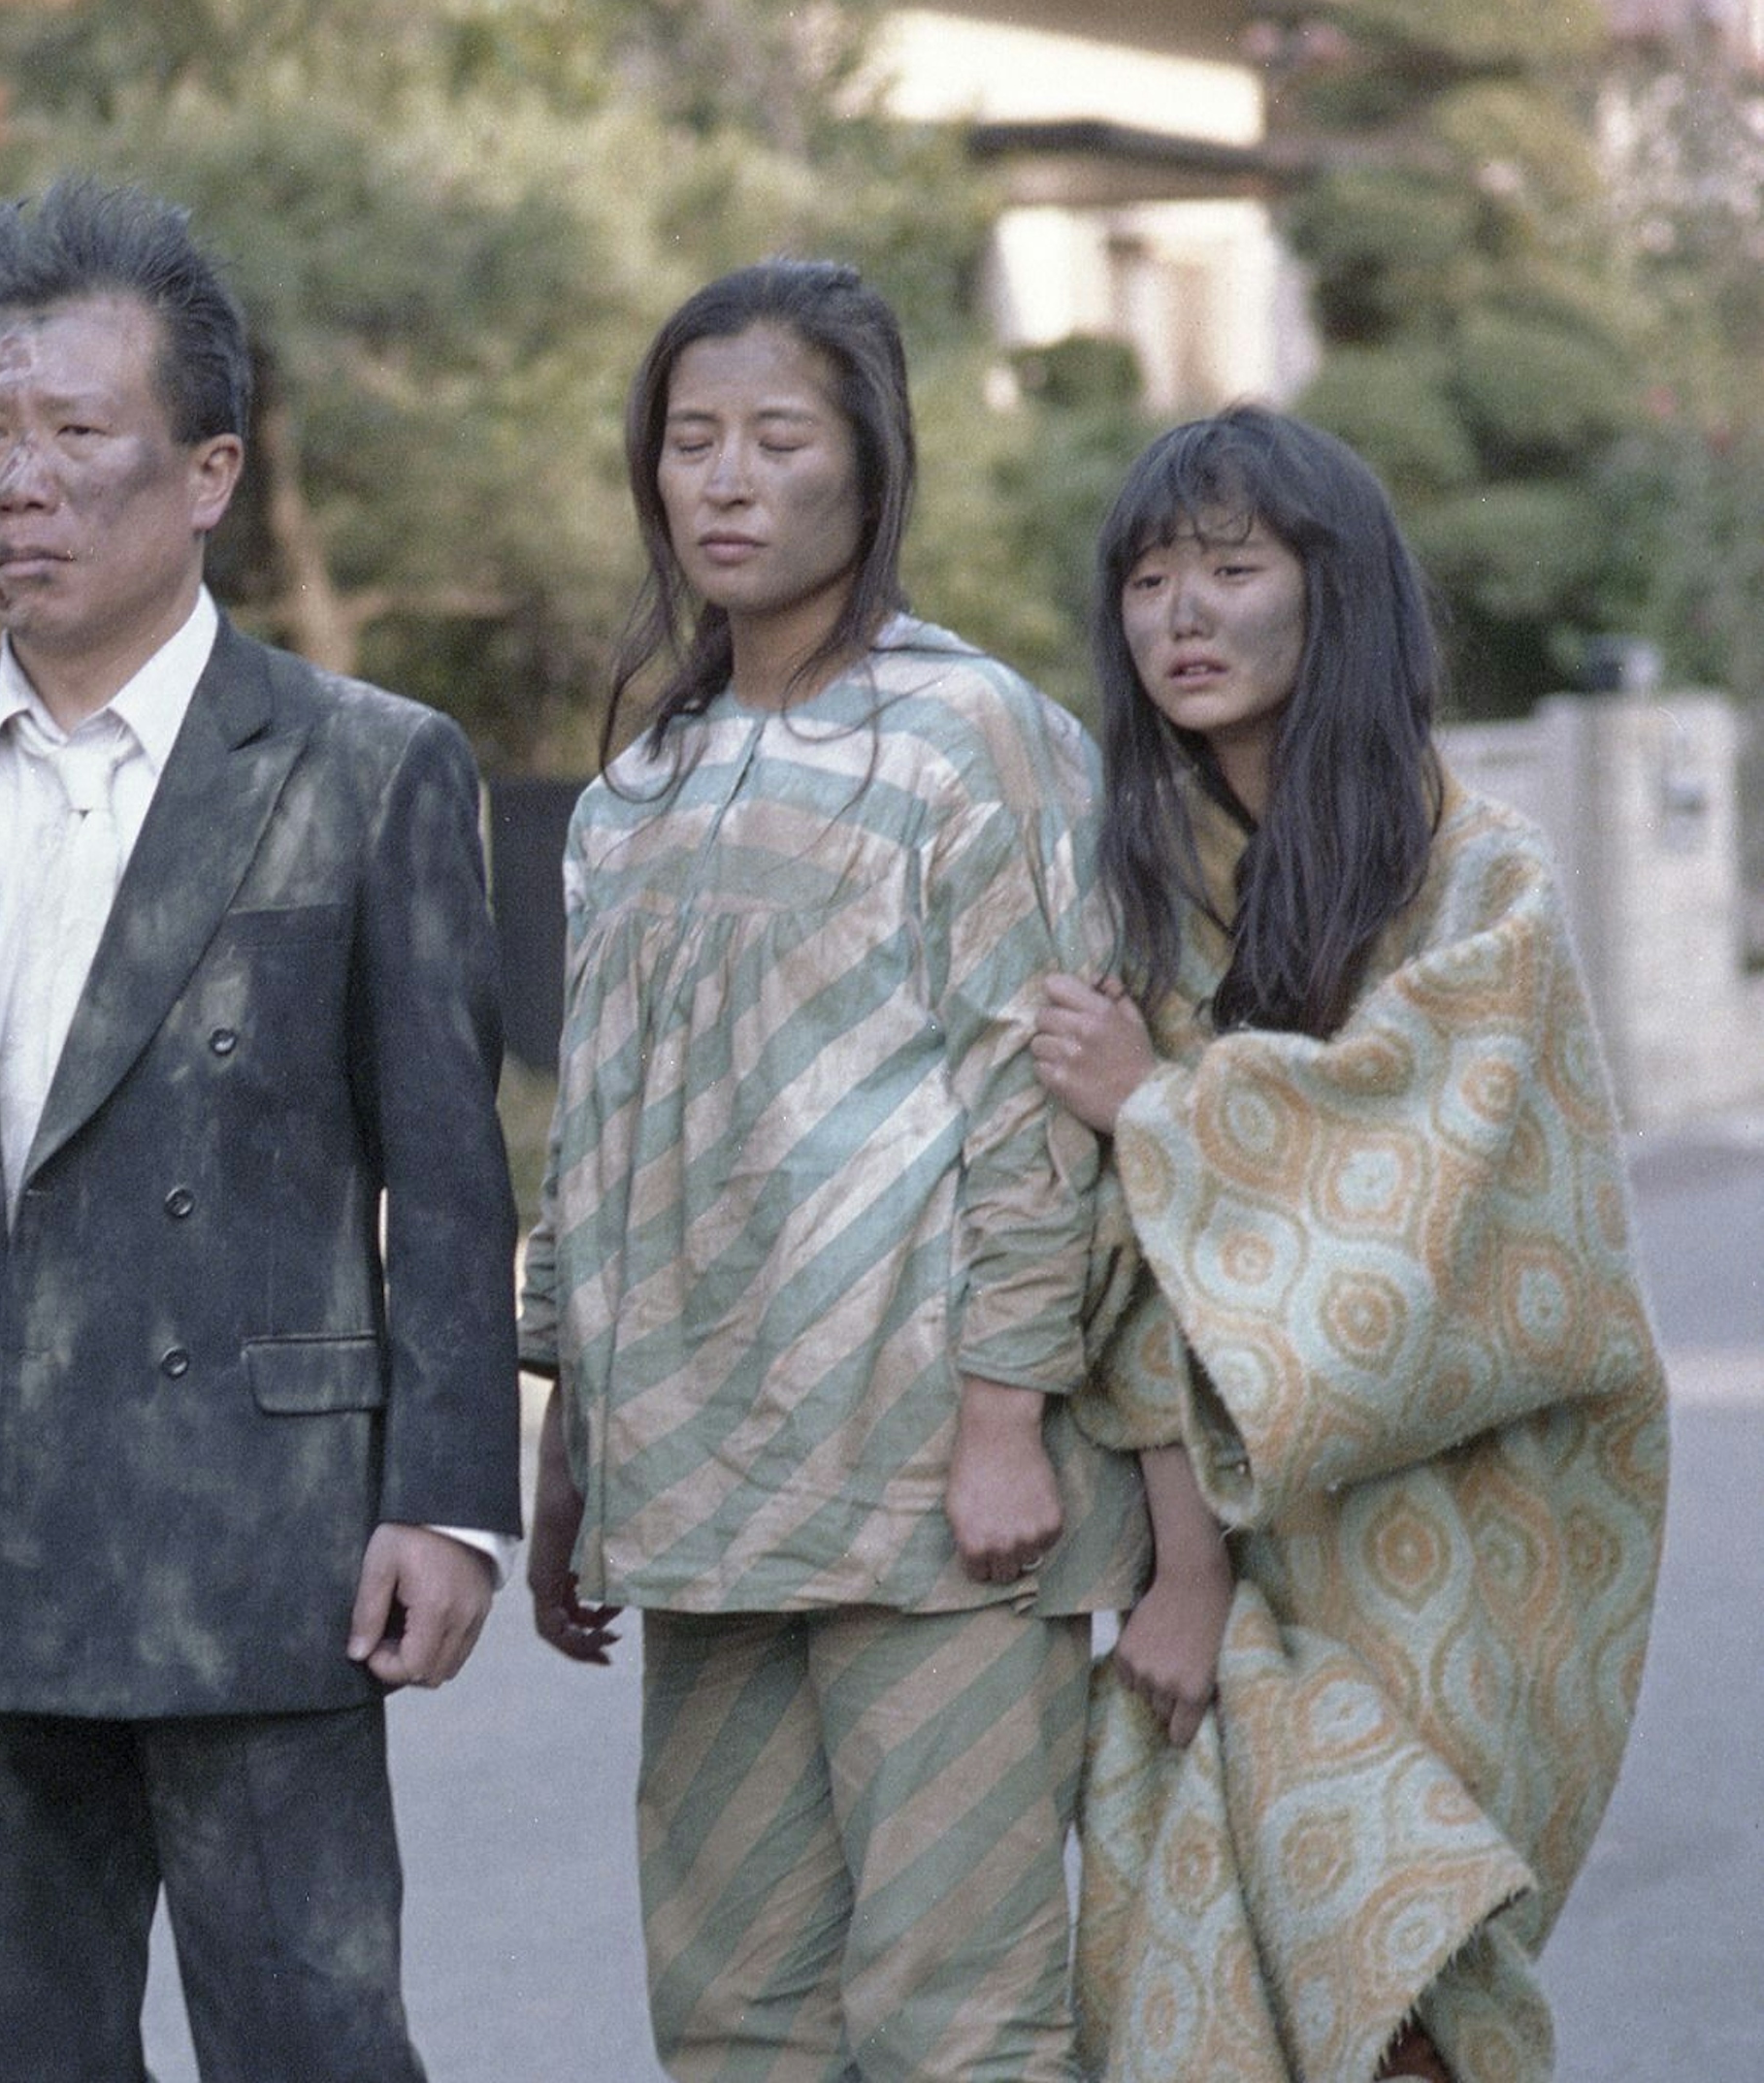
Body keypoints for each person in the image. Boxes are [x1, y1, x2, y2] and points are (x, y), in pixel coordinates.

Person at [0, 176, 522, 2082]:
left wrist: (448, 1501)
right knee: (10, 2050)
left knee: (313, 2041)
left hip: (261, 1547)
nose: (21, 483)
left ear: (209, 471)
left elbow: (449, 1182)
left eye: (77, 433)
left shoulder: (364, 763)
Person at [516, 259, 1147, 2083]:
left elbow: (1035, 1106)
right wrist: (572, 1441)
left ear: (870, 465)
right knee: (733, 2019)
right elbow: (598, 1135)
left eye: (777, 439)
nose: (725, 480)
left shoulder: (977, 740)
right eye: (690, 440)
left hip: (934, 1497)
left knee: (960, 2020)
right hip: (700, 1497)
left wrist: (1007, 1414)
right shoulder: (638, 789)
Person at [1031, 407, 1671, 2083]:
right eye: (1148, 579)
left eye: (1233, 570)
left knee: (1412, 1972)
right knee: (1244, 1963)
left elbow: (1445, 1192)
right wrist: (1187, 1570)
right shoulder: (1136, 882)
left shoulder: (1482, 875)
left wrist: (1160, 1108)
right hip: (1227, 1534)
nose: (1181, 613)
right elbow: (1122, 1257)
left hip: (1459, 1524)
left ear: (1338, 592)